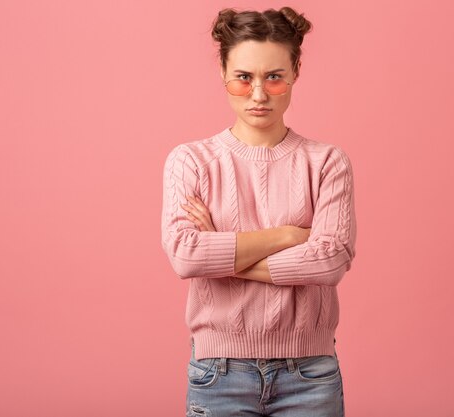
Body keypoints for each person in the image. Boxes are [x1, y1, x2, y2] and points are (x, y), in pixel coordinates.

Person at [161, 6, 357, 417]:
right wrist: (288, 235)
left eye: (274, 77)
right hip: (218, 373)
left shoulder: (326, 162)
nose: (258, 94)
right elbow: (185, 256)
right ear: (223, 72)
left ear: (295, 72)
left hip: (310, 374)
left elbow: (330, 260)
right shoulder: (191, 161)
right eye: (243, 78)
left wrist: (221, 252)